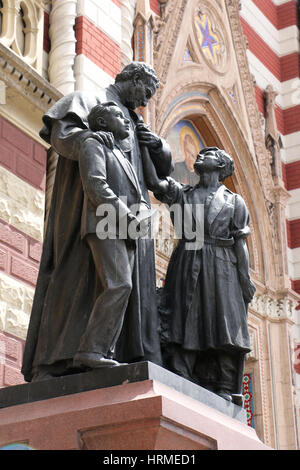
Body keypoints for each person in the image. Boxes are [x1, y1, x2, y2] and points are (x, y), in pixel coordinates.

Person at [21, 62, 173, 382]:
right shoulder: (89, 101)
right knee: (79, 279)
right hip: (90, 209)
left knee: (126, 290)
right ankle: (57, 361)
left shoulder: (133, 123)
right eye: (145, 90)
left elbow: (160, 172)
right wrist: (92, 136)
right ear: (131, 79)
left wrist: (153, 141)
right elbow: (63, 135)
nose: (145, 99)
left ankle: (111, 353)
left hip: (130, 222)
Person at [149, 147, 256, 403]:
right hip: (187, 258)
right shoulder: (184, 194)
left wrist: (245, 279)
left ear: (220, 165)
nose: (200, 156)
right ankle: (180, 371)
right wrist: (151, 142)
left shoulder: (234, 201)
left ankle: (224, 386)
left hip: (222, 264)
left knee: (223, 323)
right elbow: (154, 180)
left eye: (208, 154)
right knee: (182, 316)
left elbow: (240, 243)